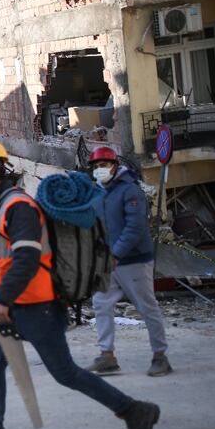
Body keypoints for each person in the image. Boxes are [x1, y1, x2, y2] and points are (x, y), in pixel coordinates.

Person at [0, 138, 160, 429]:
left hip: (35, 307)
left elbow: (26, 259)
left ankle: (134, 411)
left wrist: (2, 300)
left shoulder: (17, 207)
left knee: (65, 373)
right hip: (14, 308)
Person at [87, 147, 171, 377]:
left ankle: (160, 356)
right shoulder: (98, 192)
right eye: (95, 167)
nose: (99, 170)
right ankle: (107, 356)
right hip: (109, 261)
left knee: (146, 307)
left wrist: (115, 254)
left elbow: (134, 228)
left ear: (114, 166)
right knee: (101, 304)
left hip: (134, 260)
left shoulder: (130, 190)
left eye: (103, 165)